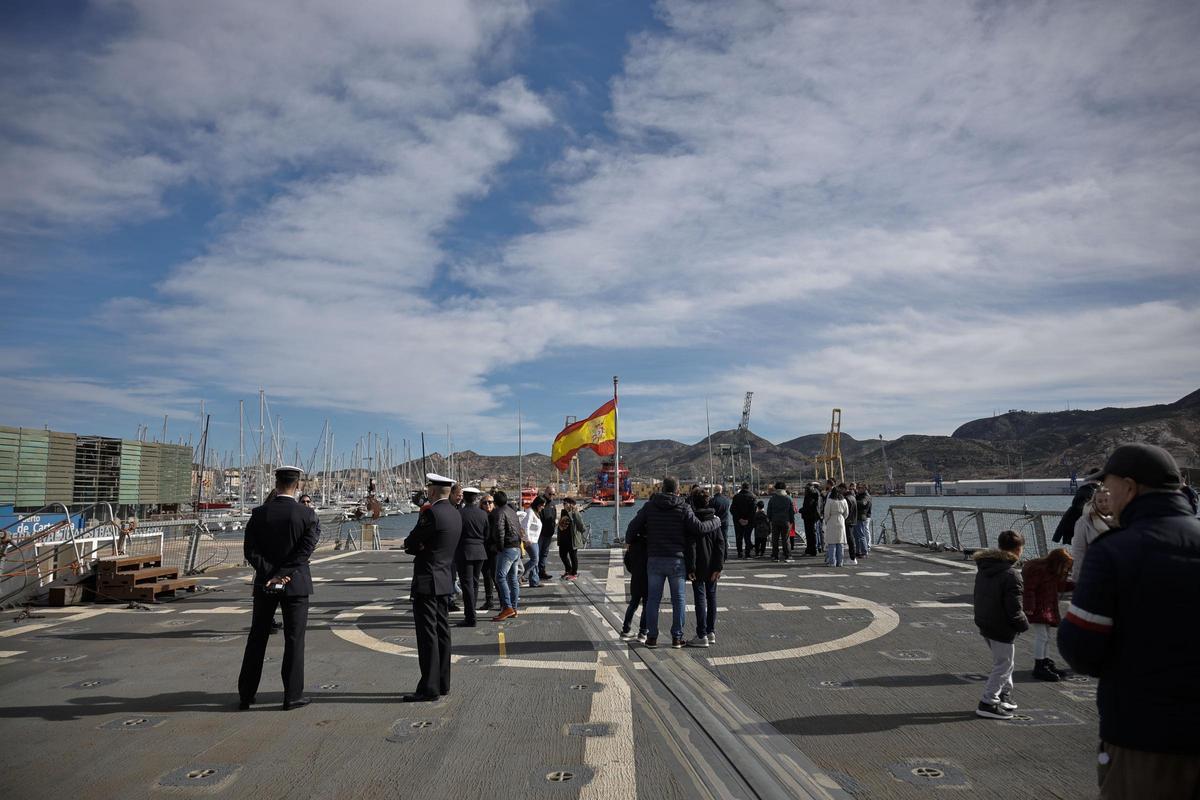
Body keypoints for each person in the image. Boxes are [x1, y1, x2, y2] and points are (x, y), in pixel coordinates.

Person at [1058, 443, 1200, 798]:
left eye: (1108, 486)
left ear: (1130, 487)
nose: (1105, 494)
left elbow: (1080, 649)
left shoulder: (1115, 551)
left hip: (1143, 734)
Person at [237, 465, 320, 711]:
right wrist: (283, 575)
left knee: (257, 638)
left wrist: (271, 575)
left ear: (276, 483)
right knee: (294, 640)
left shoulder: (259, 513)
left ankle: (246, 694)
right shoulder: (307, 515)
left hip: (265, 583)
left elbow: (250, 551)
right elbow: (304, 553)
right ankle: (292, 695)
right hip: (296, 584)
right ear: (297, 485)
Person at [625, 476, 720, 649]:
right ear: (677, 490)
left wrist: (631, 541)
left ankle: (651, 637)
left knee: (653, 599)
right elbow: (699, 528)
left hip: (654, 559)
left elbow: (632, 528)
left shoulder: (649, 506)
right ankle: (677, 637)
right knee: (678, 600)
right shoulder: (683, 507)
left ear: (661, 489)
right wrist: (716, 522)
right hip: (677, 560)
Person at [402, 473, 462, 702]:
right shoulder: (455, 514)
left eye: (428, 488)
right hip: (445, 578)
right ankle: (443, 683)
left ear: (433, 490)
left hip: (427, 579)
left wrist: (415, 547)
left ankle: (429, 688)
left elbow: (411, 541)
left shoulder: (432, 513)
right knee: (442, 633)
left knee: (428, 636)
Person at [972, 529, 1028, 720]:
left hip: (985, 622)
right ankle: (988, 702)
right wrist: (1023, 624)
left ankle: (1004, 695)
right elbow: (1014, 608)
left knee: (1004, 662)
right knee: (1003, 665)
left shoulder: (985, 567)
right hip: (1002, 626)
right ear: (1018, 549)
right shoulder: (1011, 574)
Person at [1021, 548, 1074, 681]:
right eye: (1065, 566)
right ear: (1059, 563)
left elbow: (1060, 586)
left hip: (1046, 607)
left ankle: (1045, 661)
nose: (1066, 569)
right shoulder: (1041, 571)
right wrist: (1029, 607)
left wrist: (1075, 585)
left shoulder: (1050, 571)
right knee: (1042, 636)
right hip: (1039, 607)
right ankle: (1040, 665)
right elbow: (1029, 589)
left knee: (1045, 636)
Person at [686, 487, 725, 648]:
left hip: (698, 565)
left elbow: (691, 546)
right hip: (712, 565)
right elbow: (720, 544)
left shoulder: (693, 520)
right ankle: (711, 631)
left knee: (700, 599)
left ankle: (701, 634)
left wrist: (691, 568)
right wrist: (719, 567)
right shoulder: (715, 520)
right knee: (712, 597)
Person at [454, 487, 488, 628]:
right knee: (474, 584)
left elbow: (455, 534)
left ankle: (470, 616)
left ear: (464, 497)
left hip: (464, 551)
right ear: (475, 498)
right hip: (479, 551)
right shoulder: (483, 514)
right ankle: (471, 612)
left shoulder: (459, 513)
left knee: (467, 584)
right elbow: (487, 534)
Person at [489, 491, 523, 621]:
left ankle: (507, 607)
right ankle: (514, 608)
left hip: (507, 548)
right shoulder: (511, 511)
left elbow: (499, 530)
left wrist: (499, 547)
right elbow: (518, 528)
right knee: (512, 579)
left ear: (495, 502)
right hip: (516, 547)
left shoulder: (498, 512)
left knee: (500, 577)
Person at [1069, 487, 1112, 582]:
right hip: (1094, 573)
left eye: (1107, 500)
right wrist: (1078, 578)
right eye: (1100, 501)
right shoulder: (1084, 522)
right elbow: (1078, 551)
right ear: (1094, 502)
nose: (1104, 504)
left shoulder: (1120, 520)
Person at [620, 528, 649, 641]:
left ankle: (626, 630)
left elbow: (627, 560)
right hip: (648, 578)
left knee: (633, 604)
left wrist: (633, 570)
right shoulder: (651, 545)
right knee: (647, 605)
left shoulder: (633, 544)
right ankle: (643, 632)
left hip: (636, 578)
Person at [518, 495, 545, 588]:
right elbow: (525, 526)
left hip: (535, 540)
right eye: (542, 505)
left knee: (535, 562)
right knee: (535, 560)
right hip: (530, 541)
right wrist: (527, 539)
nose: (543, 507)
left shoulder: (536, 513)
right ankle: (519, 574)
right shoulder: (530, 512)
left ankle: (534, 581)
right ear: (538, 504)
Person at [766, 481, 795, 562]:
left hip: (775, 521)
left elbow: (769, 511)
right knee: (785, 539)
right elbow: (791, 511)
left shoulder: (772, 498)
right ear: (784, 488)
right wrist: (791, 521)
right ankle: (788, 556)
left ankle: (775, 556)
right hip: (786, 521)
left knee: (775, 539)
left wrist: (770, 519)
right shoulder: (788, 498)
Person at [478, 493, 498, 611]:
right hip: (483, 549)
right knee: (486, 576)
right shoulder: (480, 516)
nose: (487, 504)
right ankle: (489, 600)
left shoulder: (497, 515)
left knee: (496, 576)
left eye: (490, 502)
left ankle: (503, 601)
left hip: (494, 550)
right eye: (485, 502)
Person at [558, 498, 586, 579]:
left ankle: (574, 573)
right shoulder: (563, 512)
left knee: (573, 556)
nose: (564, 505)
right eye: (563, 503)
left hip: (572, 539)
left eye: (565, 503)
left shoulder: (575, 513)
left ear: (571, 504)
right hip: (563, 539)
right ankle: (568, 570)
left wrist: (570, 513)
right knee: (562, 555)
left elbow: (582, 527)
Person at [822, 485, 849, 567]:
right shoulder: (843, 500)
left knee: (832, 543)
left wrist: (826, 521)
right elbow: (846, 513)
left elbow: (826, 513)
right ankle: (840, 561)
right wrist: (842, 518)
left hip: (832, 520)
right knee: (840, 543)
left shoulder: (830, 501)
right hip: (841, 520)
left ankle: (832, 562)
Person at [730, 482, 756, 559]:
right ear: (749, 488)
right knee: (747, 537)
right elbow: (753, 510)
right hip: (749, 521)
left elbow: (732, 509)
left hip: (738, 521)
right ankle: (747, 553)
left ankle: (740, 553)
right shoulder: (752, 497)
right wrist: (748, 519)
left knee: (739, 537)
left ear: (741, 487)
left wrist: (739, 519)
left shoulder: (736, 497)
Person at [536, 485, 557, 580]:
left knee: (544, 554)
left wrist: (553, 526)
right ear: (545, 492)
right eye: (550, 494)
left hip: (549, 533)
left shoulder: (552, 504)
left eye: (553, 494)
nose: (551, 496)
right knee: (537, 554)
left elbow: (554, 516)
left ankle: (542, 571)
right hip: (540, 534)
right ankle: (535, 573)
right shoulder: (540, 502)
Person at [710, 484, 732, 560]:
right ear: (721, 490)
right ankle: (725, 555)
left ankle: (717, 556)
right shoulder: (726, 500)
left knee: (715, 540)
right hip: (725, 522)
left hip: (715, 523)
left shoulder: (712, 500)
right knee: (724, 539)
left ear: (715, 490)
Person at [801, 483, 820, 557]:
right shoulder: (814, 495)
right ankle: (812, 549)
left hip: (809, 518)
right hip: (812, 517)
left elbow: (808, 507)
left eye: (806, 489)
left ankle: (811, 550)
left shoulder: (810, 496)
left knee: (810, 534)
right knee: (812, 534)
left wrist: (801, 510)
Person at [842, 482, 859, 564]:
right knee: (851, 539)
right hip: (853, 520)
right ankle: (852, 557)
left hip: (848, 521)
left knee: (850, 539)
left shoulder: (847, 499)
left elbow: (846, 511)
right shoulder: (853, 497)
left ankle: (852, 558)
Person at [855, 483, 873, 556]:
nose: (858, 489)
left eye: (860, 488)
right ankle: (858, 550)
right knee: (857, 535)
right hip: (858, 517)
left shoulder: (866, 496)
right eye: (858, 488)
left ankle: (865, 550)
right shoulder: (859, 495)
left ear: (864, 489)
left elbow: (863, 503)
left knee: (862, 534)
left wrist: (854, 501)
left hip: (862, 516)